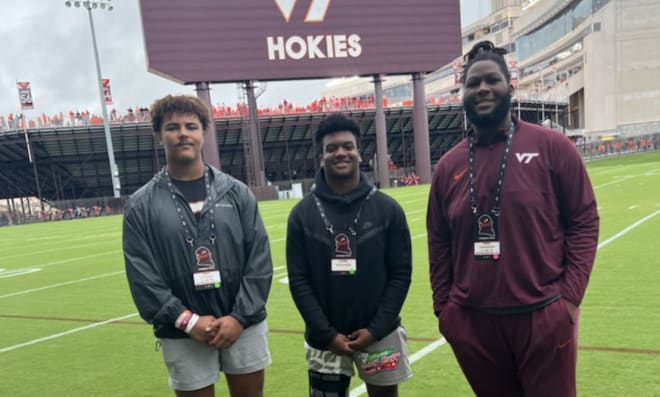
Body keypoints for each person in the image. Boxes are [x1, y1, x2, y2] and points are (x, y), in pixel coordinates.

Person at [426, 41, 600, 397]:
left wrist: (569, 300)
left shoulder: (552, 147)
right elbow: (438, 240)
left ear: (511, 87)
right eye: (473, 83)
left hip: (541, 315)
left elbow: (584, 220)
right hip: (474, 323)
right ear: (463, 93)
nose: (483, 89)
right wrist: (446, 310)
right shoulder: (448, 167)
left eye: (492, 80)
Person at [123, 95, 273, 397]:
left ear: (204, 132)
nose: (183, 133)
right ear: (158, 134)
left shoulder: (236, 192)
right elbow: (143, 276)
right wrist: (187, 320)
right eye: (172, 127)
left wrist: (239, 317)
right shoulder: (141, 204)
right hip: (181, 331)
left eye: (191, 126)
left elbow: (259, 259)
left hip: (241, 324)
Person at [286, 113, 413, 397]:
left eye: (347, 146)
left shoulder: (388, 209)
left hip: (380, 335)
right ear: (321, 157)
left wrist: (376, 329)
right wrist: (327, 334)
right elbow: (299, 281)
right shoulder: (301, 215)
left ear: (359, 152)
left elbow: (401, 274)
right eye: (331, 148)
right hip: (323, 340)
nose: (340, 153)